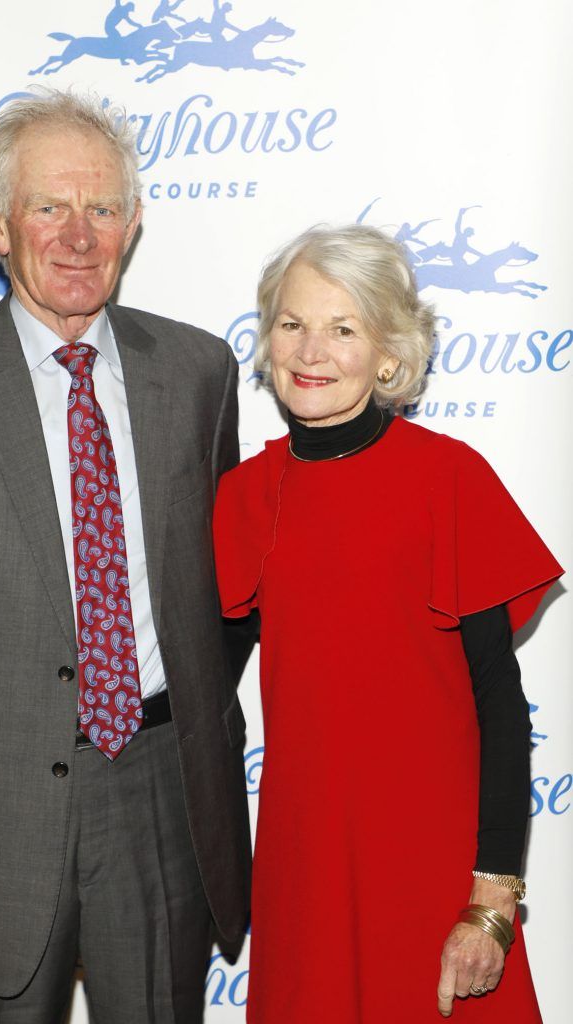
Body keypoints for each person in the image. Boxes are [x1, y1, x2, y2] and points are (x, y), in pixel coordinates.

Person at [0, 90, 251, 1024]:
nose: (79, 235)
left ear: (135, 222)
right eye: (48, 207)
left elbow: (226, 600)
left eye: (102, 208)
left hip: (163, 803)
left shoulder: (198, 375)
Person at [212, 224, 563, 1022]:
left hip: (434, 868)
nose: (312, 350)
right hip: (306, 873)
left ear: (389, 354)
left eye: (344, 328)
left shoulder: (448, 480)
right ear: (267, 341)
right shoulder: (243, 498)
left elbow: (500, 714)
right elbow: (197, 700)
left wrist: (491, 901)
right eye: (293, 323)